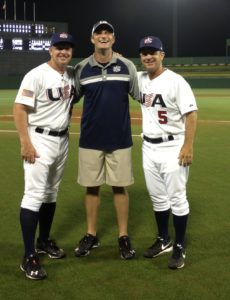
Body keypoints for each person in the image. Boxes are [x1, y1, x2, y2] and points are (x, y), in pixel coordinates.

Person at [73, 20, 140, 259]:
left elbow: (141, 95)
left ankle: (123, 236)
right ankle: (91, 234)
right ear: (92, 39)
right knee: (92, 188)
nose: (103, 36)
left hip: (120, 139)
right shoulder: (81, 68)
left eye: (107, 33)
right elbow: (70, 99)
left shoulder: (127, 66)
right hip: (90, 138)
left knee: (119, 187)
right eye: (98, 33)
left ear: (113, 39)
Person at [13, 32, 76, 280]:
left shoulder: (71, 74)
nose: (63, 52)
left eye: (67, 48)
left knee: (51, 193)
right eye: (59, 47)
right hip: (39, 139)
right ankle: (29, 256)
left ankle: (43, 241)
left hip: (62, 139)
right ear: (50, 50)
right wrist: (25, 142)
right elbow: (19, 108)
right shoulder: (36, 74)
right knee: (34, 195)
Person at [137, 36, 198, 269]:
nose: (148, 56)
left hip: (173, 146)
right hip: (148, 147)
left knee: (177, 199)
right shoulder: (141, 79)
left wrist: (188, 146)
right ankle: (163, 240)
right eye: (144, 53)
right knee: (158, 198)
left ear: (162, 55)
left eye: (153, 52)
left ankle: (179, 246)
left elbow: (191, 114)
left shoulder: (176, 81)